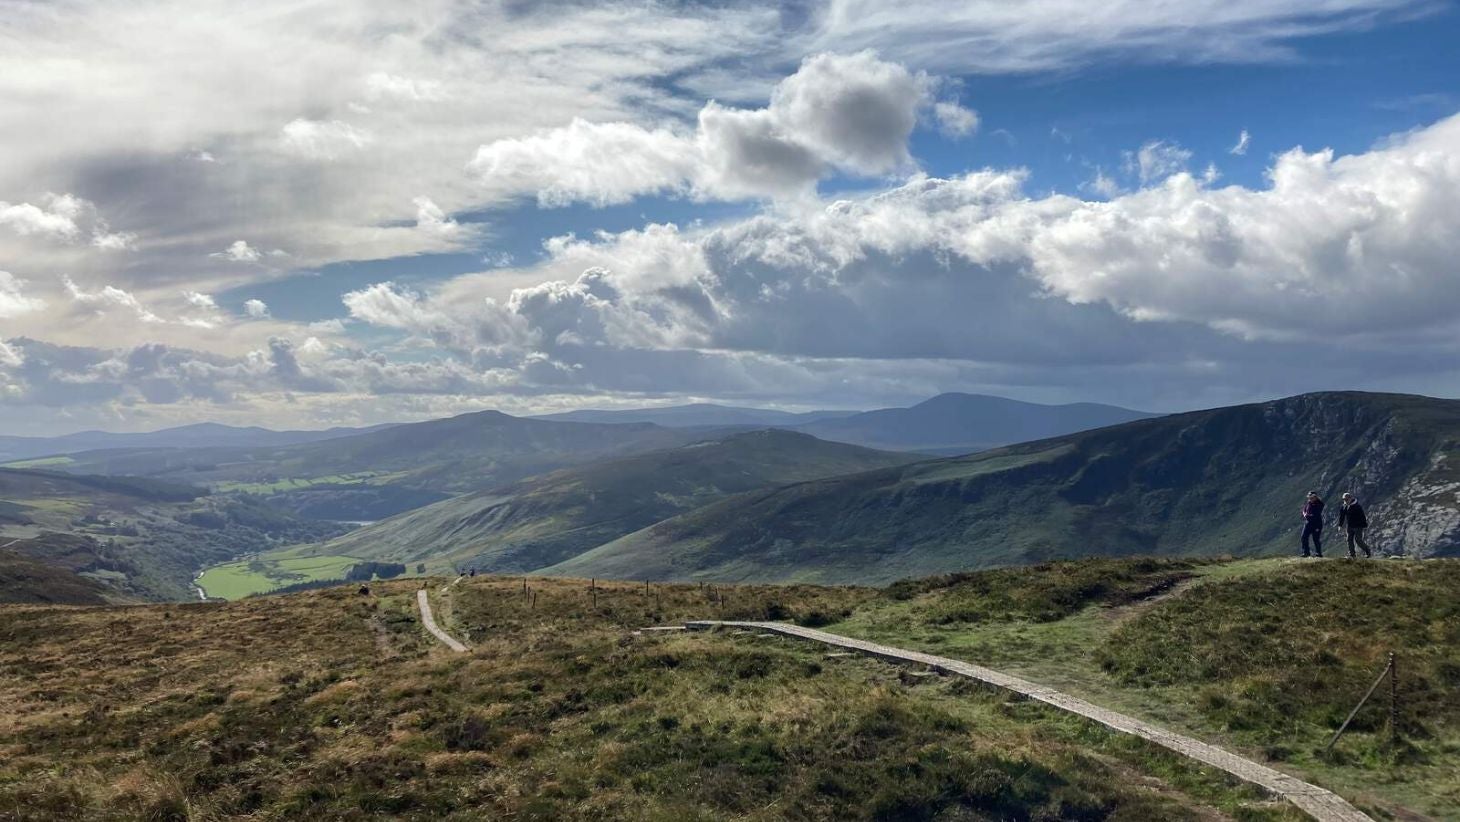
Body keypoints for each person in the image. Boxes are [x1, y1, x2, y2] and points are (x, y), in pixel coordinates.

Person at [1338, 492, 1372, 558]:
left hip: (1358, 526)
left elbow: (1362, 516)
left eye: (1347, 499)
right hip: (1349, 526)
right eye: (1344, 500)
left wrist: (1364, 526)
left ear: (1350, 498)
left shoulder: (1357, 506)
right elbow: (1342, 516)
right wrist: (1340, 525)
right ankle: (1352, 555)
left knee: (1358, 540)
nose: (1345, 501)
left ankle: (1367, 551)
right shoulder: (1344, 506)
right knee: (1349, 539)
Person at [1300, 491, 1325, 558]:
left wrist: (1306, 515)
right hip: (1308, 523)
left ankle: (1319, 553)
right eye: (1309, 498)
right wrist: (1305, 513)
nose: (1310, 499)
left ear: (1315, 497)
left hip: (1317, 524)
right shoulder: (1309, 503)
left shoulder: (1320, 504)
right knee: (1303, 537)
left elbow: (1315, 514)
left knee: (1316, 539)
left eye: (1311, 498)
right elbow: (1304, 510)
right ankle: (1306, 552)